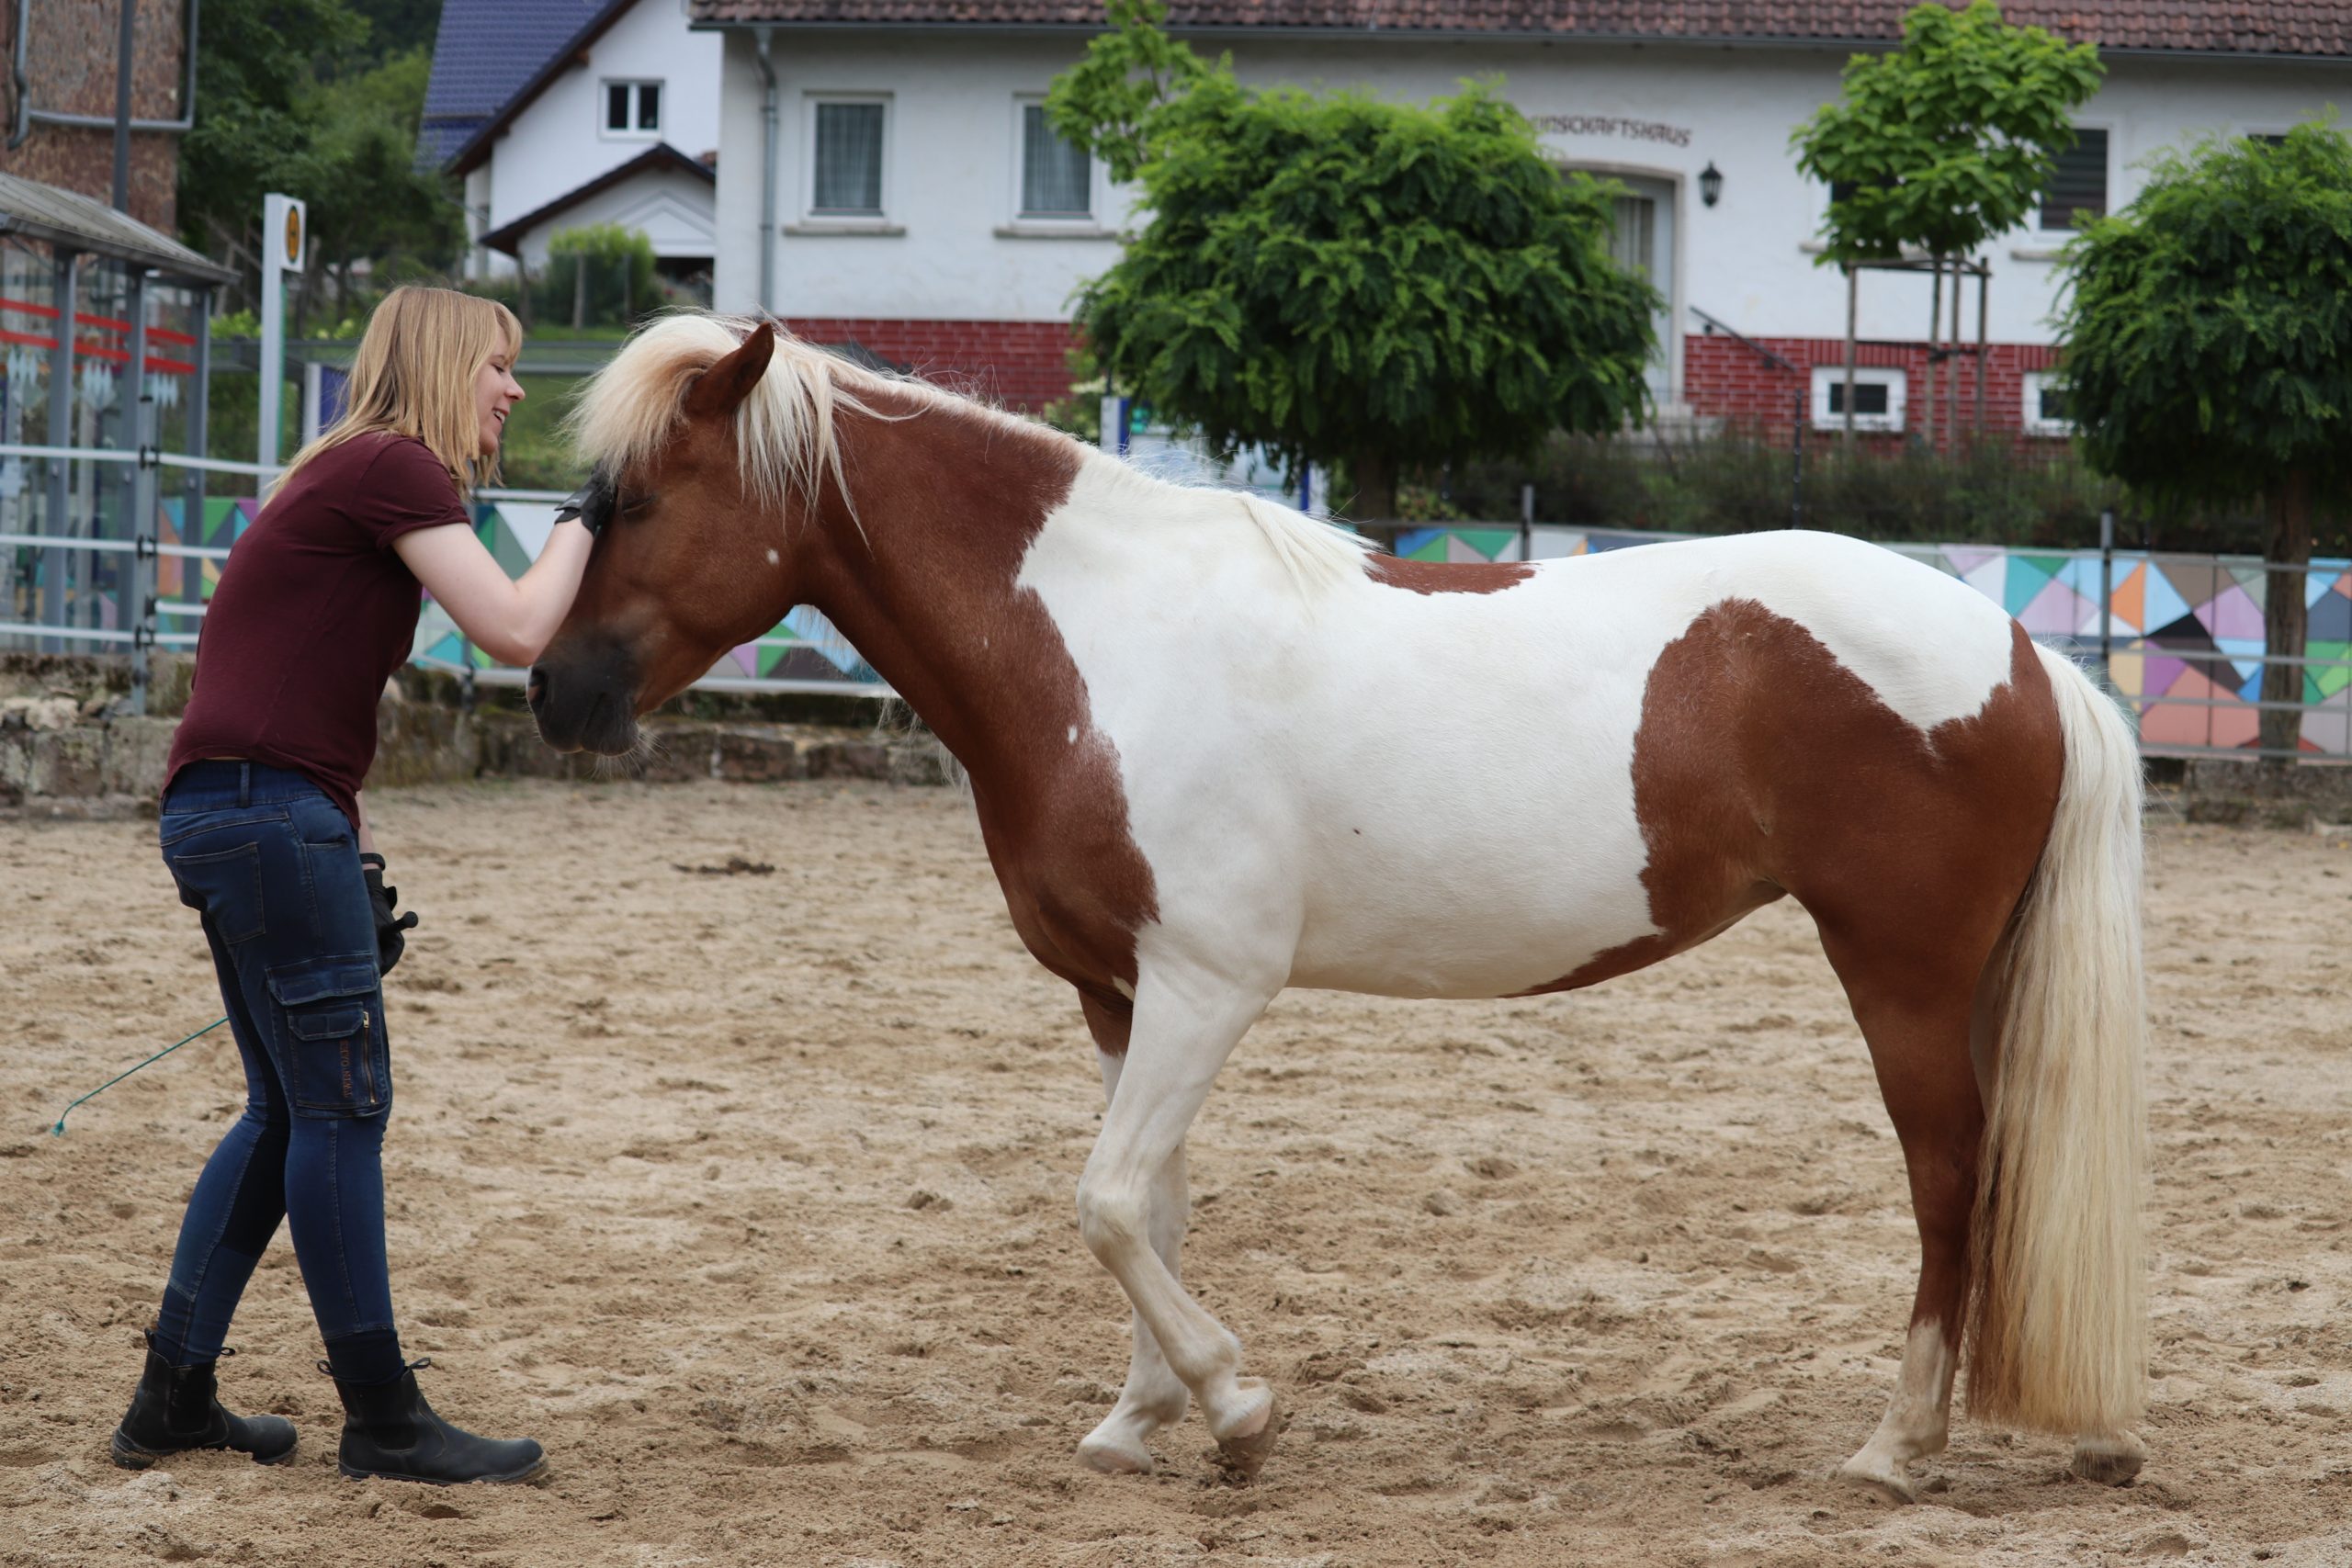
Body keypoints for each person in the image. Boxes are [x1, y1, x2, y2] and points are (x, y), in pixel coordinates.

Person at [113, 286, 601, 1483]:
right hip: (269, 817)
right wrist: (587, 516)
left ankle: (172, 1396)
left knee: (286, 1111)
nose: (513, 388)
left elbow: (297, 681)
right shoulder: (393, 467)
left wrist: (341, 858)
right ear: (444, 364)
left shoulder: (344, 473)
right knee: (342, 1111)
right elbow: (515, 628)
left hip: (235, 811)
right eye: (498, 364)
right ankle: (384, 1419)